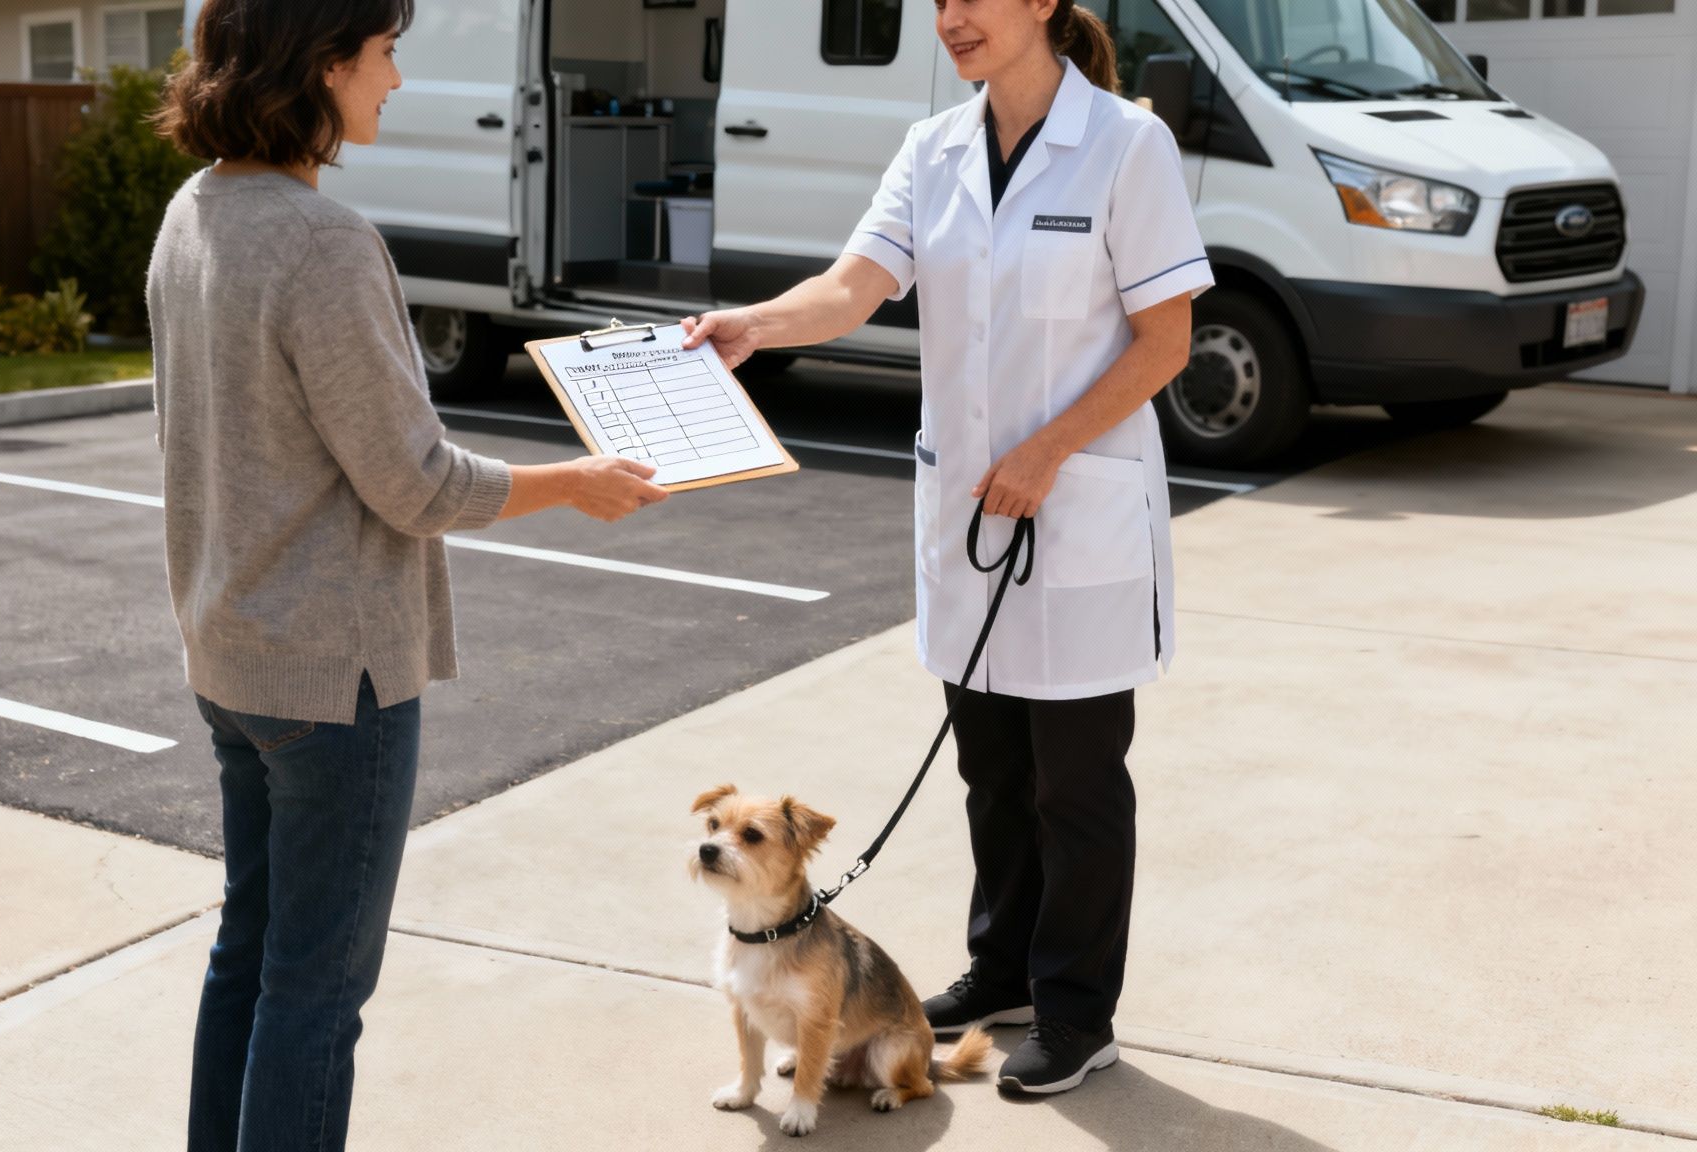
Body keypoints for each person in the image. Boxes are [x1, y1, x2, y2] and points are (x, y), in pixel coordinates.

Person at [148, 0, 668, 1146]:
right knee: (315, 989)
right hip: (333, 682)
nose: (395, 81)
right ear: (323, 65)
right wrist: (573, 481)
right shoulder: (322, 242)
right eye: (384, 56)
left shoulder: (194, 212)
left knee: (252, 954)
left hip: (228, 656)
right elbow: (416, 483)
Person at [681, 0, 1209, 1096]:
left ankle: (1074, 1012)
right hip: (967, 519)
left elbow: (1166, 340)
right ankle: (1002, 966)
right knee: (988, 768)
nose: (951, 17)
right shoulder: (932, 149)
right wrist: (752, 328)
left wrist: (1048, 452)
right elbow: (851, 287)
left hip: (1073, 516)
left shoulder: (1124, 143)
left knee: (1074, 782)